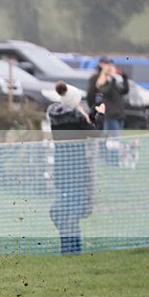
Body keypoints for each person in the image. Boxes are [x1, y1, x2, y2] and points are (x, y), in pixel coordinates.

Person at [48, 81, 104, 255]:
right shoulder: (77, 117)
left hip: (61, 171)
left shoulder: (54, 114)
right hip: (77, 170)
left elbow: (83, 124)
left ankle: (69, 248)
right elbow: (95, 132)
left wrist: (92, 113)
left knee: (66, 210)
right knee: (72, 211)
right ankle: (72, 250)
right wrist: (100, 114)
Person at [86, 56, 129, 134]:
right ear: (101, 64)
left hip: (118, 113)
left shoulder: (112, 79)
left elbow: (123, 91)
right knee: (111, 138)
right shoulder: (97, 78)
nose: (110, 66)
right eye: (107, 64)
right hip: (109, 113)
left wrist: (124, 78)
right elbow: (101, 93)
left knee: (115, 138)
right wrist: (94, 107)